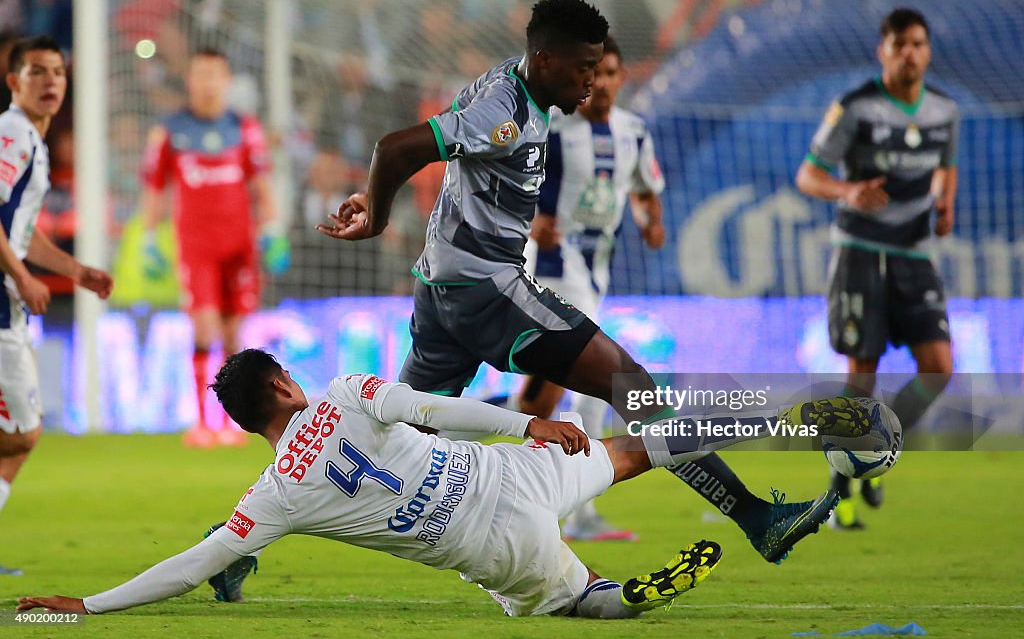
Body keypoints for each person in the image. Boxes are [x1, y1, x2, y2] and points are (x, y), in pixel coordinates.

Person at [316, 0, 836, 563]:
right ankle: (756, 516)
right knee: (634, 387)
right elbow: (395, 146)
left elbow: (435, 156)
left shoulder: (502, 85)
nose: (591, 81)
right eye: (584, 68)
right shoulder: (506, 114)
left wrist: (373, 192)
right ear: (545, 61)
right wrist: (379, 218)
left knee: (397, 443)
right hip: (487, 290)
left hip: (440, 293)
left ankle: (258, 525)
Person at [16, 349, 875, 617]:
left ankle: (616, 599)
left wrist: (89, 606)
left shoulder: (272, 494)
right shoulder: (349, 393)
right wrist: (528, 422)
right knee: (646, 445)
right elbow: (433, 404)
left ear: (248, 423)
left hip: (489, 544)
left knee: (569, 598)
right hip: (515, 467)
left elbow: (192, 563)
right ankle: (802, 421)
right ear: (284, 382)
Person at [795, 8, 959, 530]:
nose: (909, 53)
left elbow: (947, 164)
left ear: (927, 51)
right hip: (861, 252)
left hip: (915, 255)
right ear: (882, 51)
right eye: (899, 44)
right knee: (861, 377)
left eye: (917, 44)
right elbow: (808, 175)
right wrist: (848, 191)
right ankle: (840, 491)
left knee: (939, 368)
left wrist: (946, 202)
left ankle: (878, 450)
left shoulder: (943, 111)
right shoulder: (856, 108)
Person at [519, 35, 665, 542]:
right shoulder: (557, 130)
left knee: (541, 398)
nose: (600, 83)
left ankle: (462, 437)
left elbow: (646, 189)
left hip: (597, 267)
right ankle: (579, 513)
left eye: (609, 74)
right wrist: (534, 219)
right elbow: (525, 183)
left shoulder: (634, 132)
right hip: (555, 266)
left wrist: (650, 221)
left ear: (621, 78)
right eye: (594, 73)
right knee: (592, 383)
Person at [0, 35, 113, 574]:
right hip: (1, 301)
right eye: (37, 72)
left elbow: (19, 232)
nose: (50, 82)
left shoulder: (34, 143)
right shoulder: (13, 132)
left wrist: (74, 270)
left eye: (58, 73)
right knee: (22, 433)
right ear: (13, 81)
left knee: (18, 441)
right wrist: (21, 276)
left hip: (8, 297)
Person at [140, 47, 290, 448]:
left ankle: (230, 423)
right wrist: (149, 239)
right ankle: (203, 422)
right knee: (204, 328)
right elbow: (154, 190)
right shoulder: (169, 132)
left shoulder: (246, 130)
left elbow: (262, 185)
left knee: (234, 334)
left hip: (239, 247)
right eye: (200, 74)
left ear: (226, 80)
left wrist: (273, 230)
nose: (207, 83)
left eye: (215, 75)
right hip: (196, 249)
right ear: (189, 80)